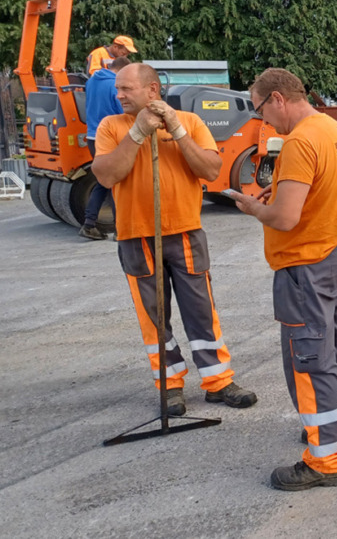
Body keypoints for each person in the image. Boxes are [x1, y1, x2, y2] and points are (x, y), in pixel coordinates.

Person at [91, 63, 258, 417]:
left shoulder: (191, 122)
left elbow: (211, 170)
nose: (118, 95)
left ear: (152, 90)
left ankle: (218, 382)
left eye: (126, 89)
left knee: (202, 311)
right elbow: (106, 177)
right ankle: (170, 386)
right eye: (118, 89)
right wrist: (136, 134)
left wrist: (178, 130)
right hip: (137, 237)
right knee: (155, 316)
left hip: (185, 231)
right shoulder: (111, 126)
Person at [230, 67, 337, 492]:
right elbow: (323, 191)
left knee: (309, 361)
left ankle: (325, 459)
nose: (263, 122)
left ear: (277, 98)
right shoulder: (332, 129)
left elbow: (286, 219)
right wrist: (285, 193)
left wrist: (254, 208)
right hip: (334, 251)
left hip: (304, 264)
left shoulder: (299, 142)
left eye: (260, 110)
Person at [79, 56, 129, 240]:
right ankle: (120, 230)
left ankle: (89, 224)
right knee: (116, 182)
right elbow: (125, 110)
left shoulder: (92, 81)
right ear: (122, 70)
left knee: (104, 180)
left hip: (93, 137)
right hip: (111, 137)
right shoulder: (115, 85)